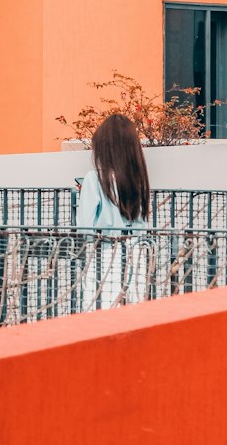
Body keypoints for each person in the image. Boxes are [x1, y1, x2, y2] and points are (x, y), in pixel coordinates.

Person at [75, 113, 152, 310]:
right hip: (136, 252)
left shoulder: (94, 179)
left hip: (104, 254)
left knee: (98, 310)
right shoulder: (139, 179)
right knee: (133, 311)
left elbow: (84, 227)